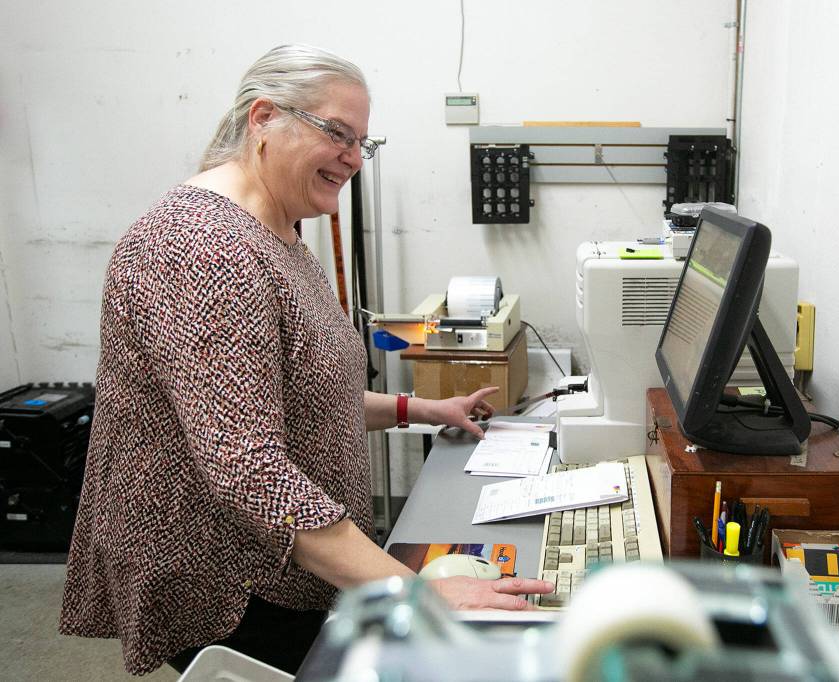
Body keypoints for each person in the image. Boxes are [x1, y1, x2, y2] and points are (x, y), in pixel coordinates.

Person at [58, 44, 552, 676]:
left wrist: (421, 407)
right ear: (264, 118)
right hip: (228, 579)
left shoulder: (279, 232)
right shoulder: (199, 248)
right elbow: (247, 464)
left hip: (289, 560)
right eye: (337, 133)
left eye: (362, 143)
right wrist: (416, 589)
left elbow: (300, 391)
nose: (352, 157)